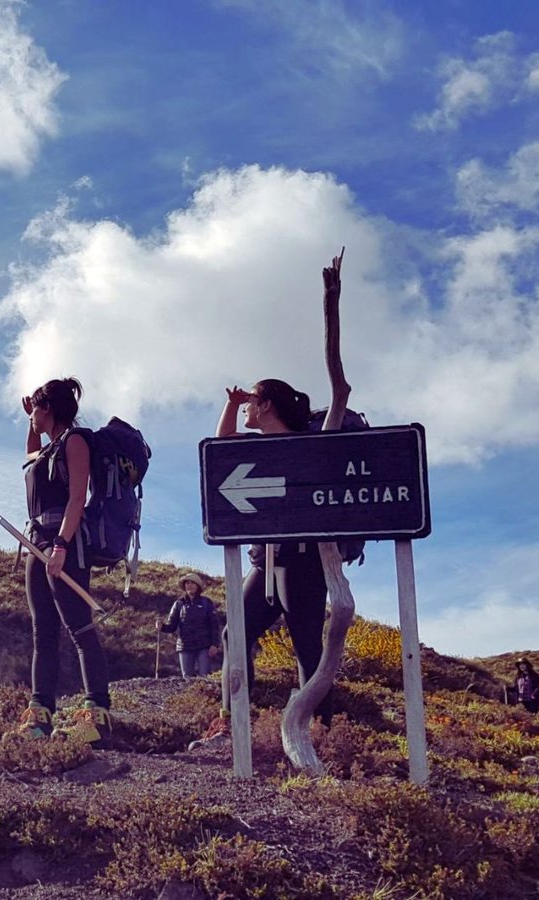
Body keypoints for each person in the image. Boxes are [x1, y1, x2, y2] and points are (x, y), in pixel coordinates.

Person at [213, 251, 351, 731]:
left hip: (302, 559)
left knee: (306, 640)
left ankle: (322, 729)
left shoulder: (306, 444)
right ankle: (235, 721)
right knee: (236, 631)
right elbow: (221, 450)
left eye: (252, 400)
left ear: (268, 404)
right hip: (265, 560)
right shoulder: (256, 447)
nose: (248, 407)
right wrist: (231, 406)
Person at [5, 377, 113, 745]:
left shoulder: (76, 441)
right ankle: (39, 716)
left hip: (65, 544)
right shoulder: (49, 450)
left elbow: (77, 498)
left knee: (80, 628)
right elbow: (31, 457)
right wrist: (30, 422)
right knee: (43, 633)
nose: (31, 415)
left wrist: (62, 545)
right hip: (37, 542)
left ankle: (97, 717)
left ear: (48, 409)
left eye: (35, 409)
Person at [162, 572, 222, 678]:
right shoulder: (179, 604)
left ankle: (205, 695)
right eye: (187, 583)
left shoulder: (206, 603)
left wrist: (215, 644)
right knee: (187, 678)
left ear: (198, 586)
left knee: (205, 677)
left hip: (204, 646)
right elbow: (171, 626)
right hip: (185, 646)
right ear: (184, 586)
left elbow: (214, 626)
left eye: (193, 583)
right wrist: (162, 627)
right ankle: (190, 695)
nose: (190, 586)